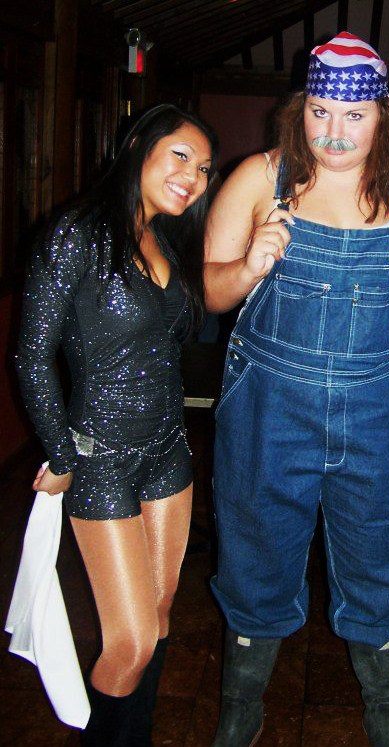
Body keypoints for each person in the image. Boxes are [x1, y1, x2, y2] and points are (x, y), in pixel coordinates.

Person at [204, 32, 389, 747]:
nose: (334, 132)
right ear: (301, 110)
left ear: (383, 117)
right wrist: (250, 265)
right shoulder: (258, 178)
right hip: (270, 406)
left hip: (381, 412)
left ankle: (385, 709)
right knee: (254, 551)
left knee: (383, 556)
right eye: (320, 112)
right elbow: (212, 292)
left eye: (353, 115)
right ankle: (241, 705)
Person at [16, 103, 218, 746]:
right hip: (100, 458)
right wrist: (61, 454)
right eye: (181, 156)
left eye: (204, 168)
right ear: (137, 147)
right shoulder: (78, 233)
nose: (193, 177)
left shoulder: (166, 238)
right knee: (129, 641)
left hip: (168, 452)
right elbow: (32, 354)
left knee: (158, 617)